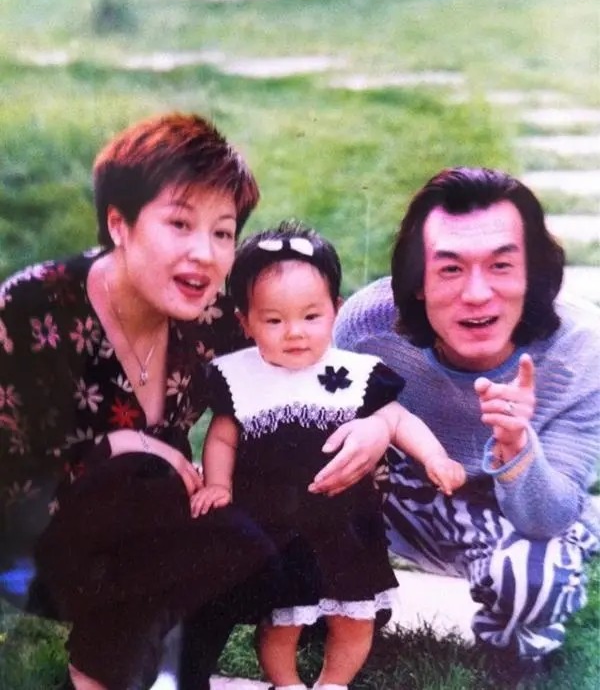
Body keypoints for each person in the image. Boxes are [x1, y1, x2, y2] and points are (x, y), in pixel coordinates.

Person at [0, 114, 389, 690]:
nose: (204, 254)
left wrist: (379, 423)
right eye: (180, 224)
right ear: (120, 224)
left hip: (151, 529)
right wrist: (115, 445)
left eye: (222, 233)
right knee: (146, 478)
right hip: (34, 550)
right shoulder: (37, 306)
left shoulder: (212, 315)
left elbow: (305, 364)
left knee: (258, 551)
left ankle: (178, 675)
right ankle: (96, 668)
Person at [332, 166, 600, 680]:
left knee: (535, 578)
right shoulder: (368, 329)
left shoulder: (583, 349)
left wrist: (516, 445)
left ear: (533, 274)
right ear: (416, 282)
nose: (477, 294)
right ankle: (349, 604)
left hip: (520, 510)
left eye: (501, 265)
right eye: (450, 269)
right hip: (407, 492)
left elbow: (550, 518)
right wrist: (378, 423)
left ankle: (510, 645)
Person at [191, 221, 466, 690]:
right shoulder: (241, 377)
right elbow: (222, 437)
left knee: (353, 617)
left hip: (347, 524)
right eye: (273, 321)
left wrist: (435, 457)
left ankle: (334, 682)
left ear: (336, 310)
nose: (294, 333)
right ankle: (286, 682)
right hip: (276, 527)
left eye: (310, 316)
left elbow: (398, 420)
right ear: (246, 322)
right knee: (282, 620)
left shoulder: (354, 374)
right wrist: (218, 483)